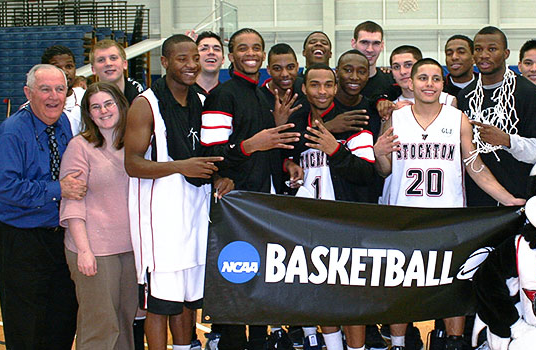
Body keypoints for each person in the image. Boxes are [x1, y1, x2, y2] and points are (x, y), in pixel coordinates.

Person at [374, 58, 525, 350]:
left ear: (443, 84)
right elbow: (385, 170)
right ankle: (398, 342)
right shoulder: (395, 118)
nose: (429, 84)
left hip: (448, 216)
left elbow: (474, 166)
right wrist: (380, 154)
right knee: (401, 284)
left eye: (435, 79)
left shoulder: (457, 119)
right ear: (410, 83)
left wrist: (507, 199)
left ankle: (454, 341)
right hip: (404, 216)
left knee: (452, 282)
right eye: (422, 78)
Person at [124, 34, 233, 350]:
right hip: (160, 219)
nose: (191, 65)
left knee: (187, 297)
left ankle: (186, 346)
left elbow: (216, 153)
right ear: (164, 62)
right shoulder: (146, 105)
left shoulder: (201, 102)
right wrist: (180, 166)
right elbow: (131, 164)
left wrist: (223, 177)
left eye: (194, 58)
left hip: (195, 212)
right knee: (160, 303)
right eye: (182, 58)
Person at [201, 28, 302, 350]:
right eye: (243, 48)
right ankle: (230, 340)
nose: (250, 53)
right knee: (237, 272)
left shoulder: (261, 95)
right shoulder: (223, 94)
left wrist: (286, 162)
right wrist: (245, 148)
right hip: (236, 204)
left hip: (262, 201)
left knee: (261, 274)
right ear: (232, 55)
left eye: (256, 48)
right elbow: (211, 152)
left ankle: (260, 337)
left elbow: (270, 148)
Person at [283, 64, 379, 350]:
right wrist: (288, 166)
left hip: (345, 222)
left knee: (352, 295)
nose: (322, 91)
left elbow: (366, 174)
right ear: (304, 88)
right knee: (321, 293)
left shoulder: (351, 123)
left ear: (336, 88)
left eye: (328, 85)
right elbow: (284, 160)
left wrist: (335, 150)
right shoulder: (297, 123)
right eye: (315, 85)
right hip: (310, 224)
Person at [0, 64, 83, 349]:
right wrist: (59, 189)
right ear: (28, 93)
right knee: (26, 324)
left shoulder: (64, 124)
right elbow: (4, 188)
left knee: (62, 317)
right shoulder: (12, 133)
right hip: (23, 240)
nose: (53, 96)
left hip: (59, 236)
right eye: (45, 89)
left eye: (59, 89)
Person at [59, 82, 137, 350]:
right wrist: (83, 250)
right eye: (96, 107)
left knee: (125, 322)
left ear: (120, 105)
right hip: (95, 249)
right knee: (100, 325)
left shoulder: (137, 143)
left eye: (108, 104)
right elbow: (72, 201)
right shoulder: (79, 146)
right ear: (89, 114)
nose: (103, 111)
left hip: (131, 248)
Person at [456, 26, 536, 207]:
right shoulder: (465, 96)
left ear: (506, 53)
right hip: (476, 199)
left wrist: (508, 140)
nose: (484, 55)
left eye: (492, 49)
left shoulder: (527, 92)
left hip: (517, 197)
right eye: (478, 49)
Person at [390, 45, 455, 106]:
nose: (402, 72)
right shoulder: (390, 107)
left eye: (408, 65)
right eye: (396, 67)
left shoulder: (448, 101)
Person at [352, 21, 400, 101]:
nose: (370, 49)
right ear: (353, 43)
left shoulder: (392, 81)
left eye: (376, 43)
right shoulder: (341, 82)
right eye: (364, 42)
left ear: (382, 46)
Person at [43, 45, 86, 135]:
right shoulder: (35, 107)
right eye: (57, 68)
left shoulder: (87, 98)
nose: (65, 72)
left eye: (69, 66)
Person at [90, 39, 146, 104]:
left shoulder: (140, 96)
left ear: (124, 64)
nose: (108, 63)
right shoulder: (88, 100)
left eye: (113, 58)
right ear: (93, 69)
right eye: (101, 60)